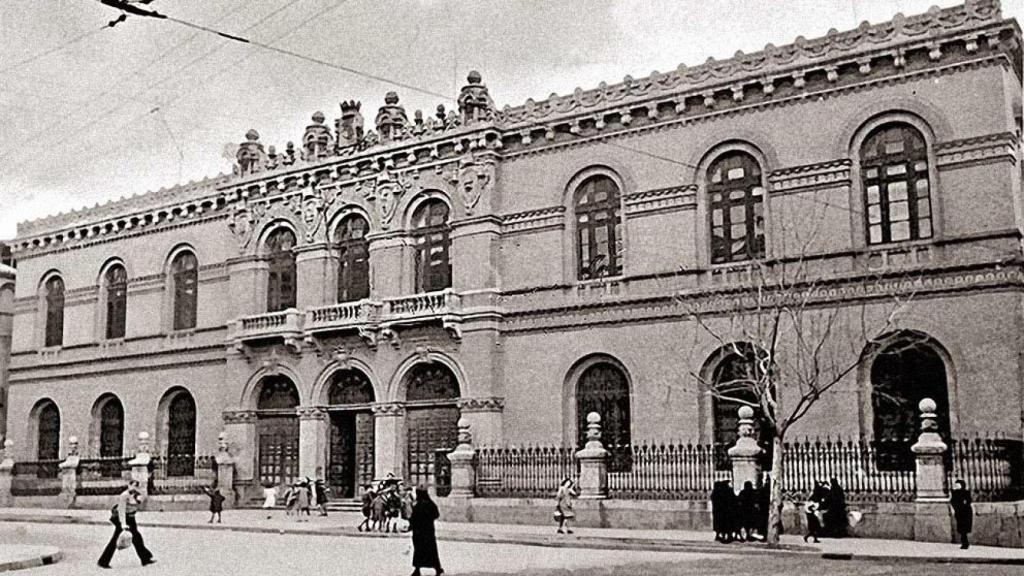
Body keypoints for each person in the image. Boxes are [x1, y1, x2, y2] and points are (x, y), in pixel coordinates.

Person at [97, 479, 155, 569]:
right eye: (132, 485)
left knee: (137, 538)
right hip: (123, 518)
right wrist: (123, 524)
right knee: (115, 540)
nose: (134, 487)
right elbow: (121, 510)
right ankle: (103, 561)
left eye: (136, 486)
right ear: (129, 485)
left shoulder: (136, 495)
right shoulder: (124, 495)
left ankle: (145, 558)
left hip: (131, 518)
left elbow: (139, 502)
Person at [409, 485, 443, 576]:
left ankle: (417, 570)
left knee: (418, 550)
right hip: (428, 531)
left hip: (419, 532)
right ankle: (437, 568)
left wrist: (410, 526)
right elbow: (436, 515)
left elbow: (413, 518)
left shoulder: (417, 505)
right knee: (431, 551)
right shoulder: (430, 504)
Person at [950, 479, 973, 549]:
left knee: (964, 528)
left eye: (958, 485)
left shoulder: (965, 492)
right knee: (961, 528)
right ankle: (965, 543)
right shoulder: (955, 493)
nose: (956, 486)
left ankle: (965, 543)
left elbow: (968, 501)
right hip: (959, 512)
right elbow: (952, 501)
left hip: (965, 512)